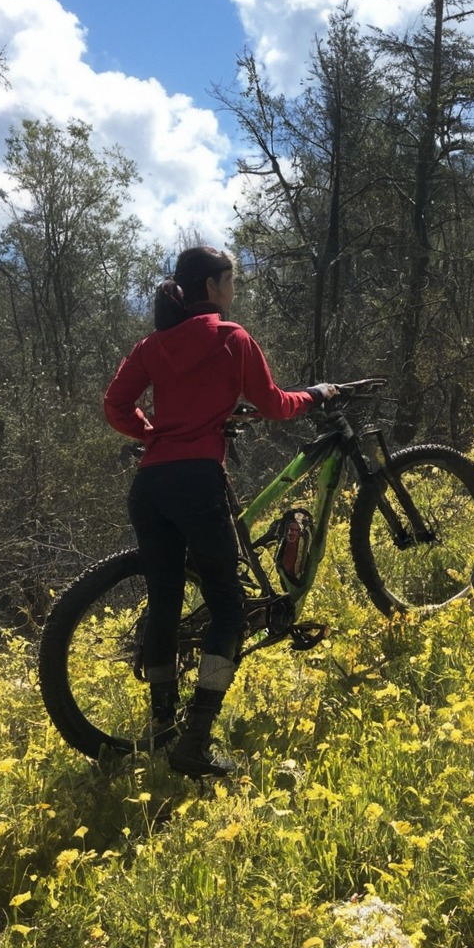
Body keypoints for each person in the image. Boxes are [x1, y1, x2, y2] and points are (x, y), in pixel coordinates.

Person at [104, 245, 337, 777]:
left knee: (163, 603)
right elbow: (276, 404)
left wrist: (154, 434)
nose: (233, 288)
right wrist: (317, 394)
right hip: (197, 482)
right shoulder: (232, 338)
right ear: (212, 287)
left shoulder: (152, 344)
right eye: (230, 280)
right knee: (228, 608)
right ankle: (197, 740)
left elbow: (116, 404)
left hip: (150, 484)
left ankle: (164, 725)